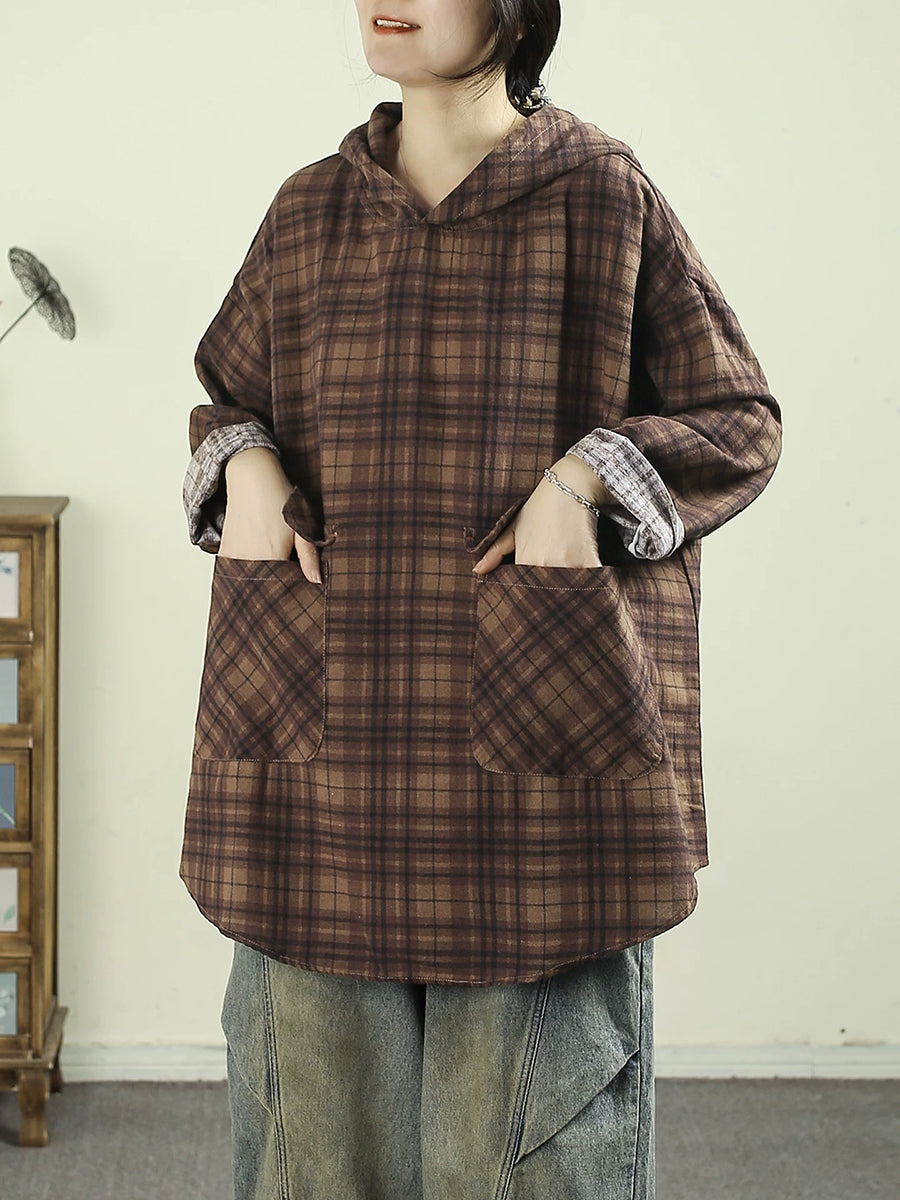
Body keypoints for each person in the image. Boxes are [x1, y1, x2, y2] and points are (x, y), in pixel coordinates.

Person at [179, 2, 782, 1196]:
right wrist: (242, 467)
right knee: (316, 1156)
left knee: (517, 1158)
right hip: (322, 747)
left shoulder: (601, 194)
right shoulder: (309, 211)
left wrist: (583, 482)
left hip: (534, 752)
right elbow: (227, 398)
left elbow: (739, 421)